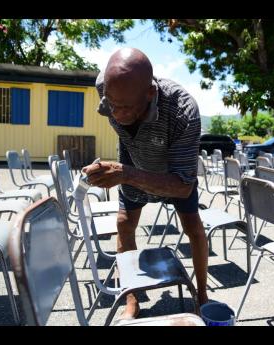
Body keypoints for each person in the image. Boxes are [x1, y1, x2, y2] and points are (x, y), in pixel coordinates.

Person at [82, 47, 209, 320]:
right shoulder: (105, 87)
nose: (116, 114)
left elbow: (183, 187)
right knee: (123, 224)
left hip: (174, 173)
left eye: (126, 107)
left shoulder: (183, 112)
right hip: (133, 157)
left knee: (194, 228)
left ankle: (202, 296)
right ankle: (132, 300)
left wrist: (125, 174)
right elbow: (118, 110)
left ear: (150, 94)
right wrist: (105, 172)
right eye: (111, 104)